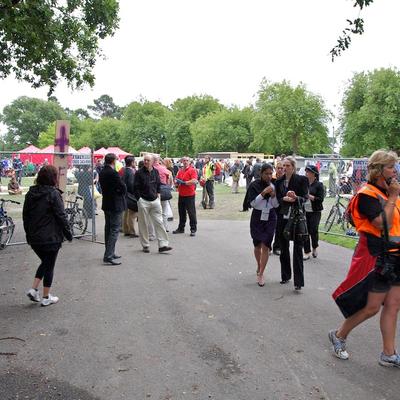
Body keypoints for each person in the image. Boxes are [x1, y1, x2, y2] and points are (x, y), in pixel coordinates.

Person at [330, 150, 400, 367]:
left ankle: (388, 353)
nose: (395, 171)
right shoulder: (367, 194)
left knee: (394, 304)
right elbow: (383, 223)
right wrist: (393, 196)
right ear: (379, 170)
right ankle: (339, 335)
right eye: (390, 167)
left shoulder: (389, 191)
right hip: (378, 257)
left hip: (395, 257)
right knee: (372, 307)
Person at [23, 165, 73, 306]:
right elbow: (61, 215)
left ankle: (34, 289)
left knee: (45, 262)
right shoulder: (53, 194)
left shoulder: (30, 194)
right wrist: (68, 233)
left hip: (35, 237)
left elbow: (25, 216)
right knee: (49, 264)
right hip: (50, 237)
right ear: (53, 178)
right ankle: (46, 297)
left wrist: (28, 234)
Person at [275, 156, 309, 290]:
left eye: (287, 165)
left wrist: (296, 198)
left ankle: (298, 282)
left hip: (297, 218)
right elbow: (277, 199)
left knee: (297, 250)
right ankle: (285, 276)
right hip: (283, 217)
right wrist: (283, 198)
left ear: (293, 167)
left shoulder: (302, 180)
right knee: (283, 248)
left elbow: (305, 198)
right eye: (283, 165)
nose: (284, 168)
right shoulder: (279, 182)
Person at [243, 164, 279, 287]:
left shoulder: (274, 185)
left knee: (266, 245)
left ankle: (261, 273)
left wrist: (273, 195)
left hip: (271, 217)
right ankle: (259, 265)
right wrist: (263, 193)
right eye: (266, 173)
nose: (269, 176)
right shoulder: (254, 185)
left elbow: (276, 205)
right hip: (258, 216)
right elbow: (253, 203)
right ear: (261, 173)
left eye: (271, 173)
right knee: (257, 244)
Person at [133, 154, 172, 253]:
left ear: (152, 161)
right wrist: (139, 199)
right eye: (145, 160)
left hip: (155, 200)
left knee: (159, 223)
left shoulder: (155, 171)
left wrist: (158, 195)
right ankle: (145, 245)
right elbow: (135, 187)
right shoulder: (139, 173)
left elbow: (158, 184)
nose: (146, 162)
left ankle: (163, 245)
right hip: (143, 201)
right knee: (143, 224)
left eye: (148, 160)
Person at [99, 153, 127, 265]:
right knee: (114, 229)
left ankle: (109, 251)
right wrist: (121, 191)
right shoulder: (113, 173)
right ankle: (109, 255)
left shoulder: (102, 172)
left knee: (108, 228)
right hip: (115, 203)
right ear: (113, 161)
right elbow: (122, 186)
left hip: (107, 202)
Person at [303, 165, 325, 260]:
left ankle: (314, 247)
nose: (306, 173)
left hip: (315, 211)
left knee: (313, 230)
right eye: (306, 171)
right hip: (305, 211)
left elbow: (320, 199)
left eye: (308, 172)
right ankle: (307, 251)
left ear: (314, 174)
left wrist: (309, 196)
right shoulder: (304, 183)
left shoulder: (319, 185)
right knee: (305, 231)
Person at [173, 156, 198, 236]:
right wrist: (176, 182)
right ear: (182, 161)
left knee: (191, 213)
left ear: (189, 162)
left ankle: (193, 229)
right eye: (184, 160)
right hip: (181, 194)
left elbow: (194, 181)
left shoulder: (192, 170)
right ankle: (181, 228)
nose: (185, 162)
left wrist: (184, 183)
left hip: (190, 195)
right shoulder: (180, 171)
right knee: (181, 212)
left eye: (187, 160)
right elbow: (176, 179)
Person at [153, 156, 173, 232]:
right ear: (159, 161)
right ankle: (165, 227)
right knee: (164, 211)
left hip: (153, 191)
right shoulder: (163, 168)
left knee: (155, 211)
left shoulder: (150, 168)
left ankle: (156, 228)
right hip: (163, 190)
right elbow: (170, 178)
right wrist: (168, 185)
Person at [122, 156, 138, 238]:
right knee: (132, 214)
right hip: (130, 195)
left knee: (126, 213)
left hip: (125, 194)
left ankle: (126, 230)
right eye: (134, 162)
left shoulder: (124, 170)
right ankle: (132, 231)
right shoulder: (130, 172)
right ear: (132, 163)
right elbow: (131, 185)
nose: (135, 163)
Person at [272, 160, 284, 255]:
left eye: (281, 168)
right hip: (271, 205)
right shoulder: (271, 179)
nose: (280, 170)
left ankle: (277, 247)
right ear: (275, 169)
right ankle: (267, 246)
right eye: (278, 168)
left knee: (279, 227)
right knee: (270, 227)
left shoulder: (286, 180)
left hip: (281, 206)